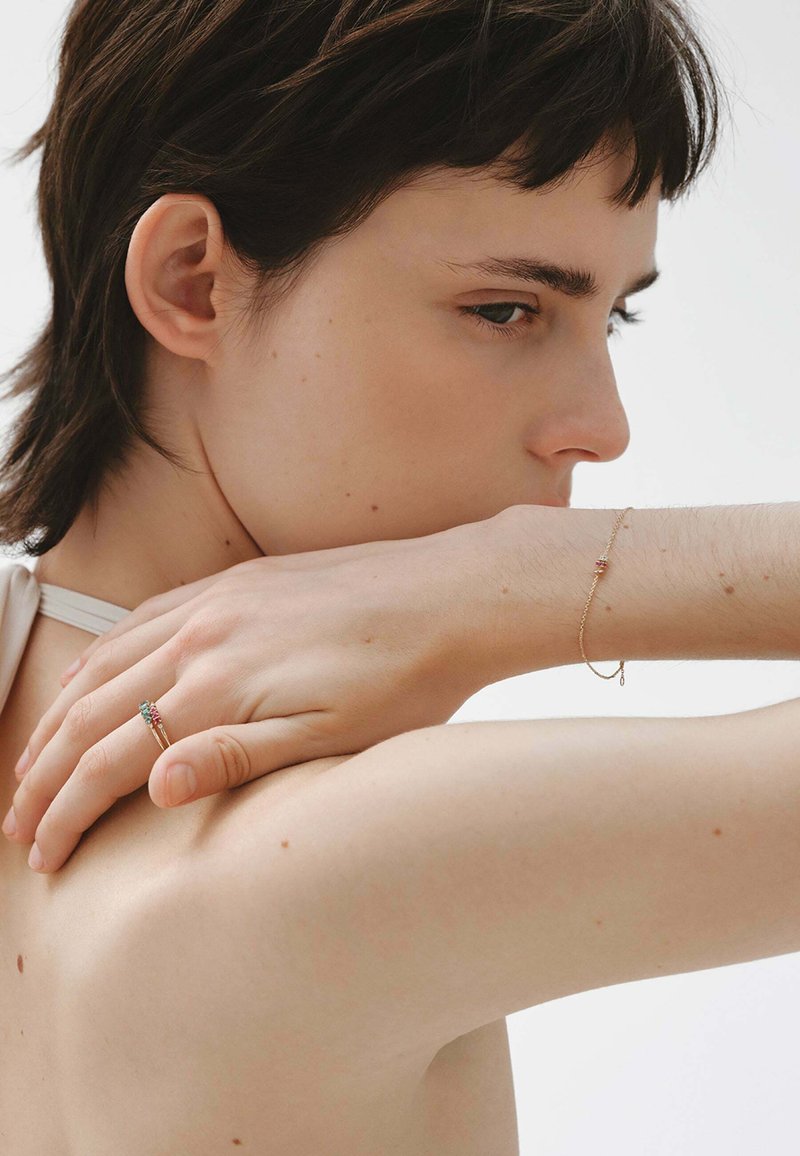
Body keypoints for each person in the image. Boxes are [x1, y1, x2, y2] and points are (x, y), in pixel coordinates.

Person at [2, 0, 798, 1152]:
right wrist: (520, 583)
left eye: (608, 319)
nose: (602, 427)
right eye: (505, 308)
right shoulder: (331, 855)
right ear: (190, 281)